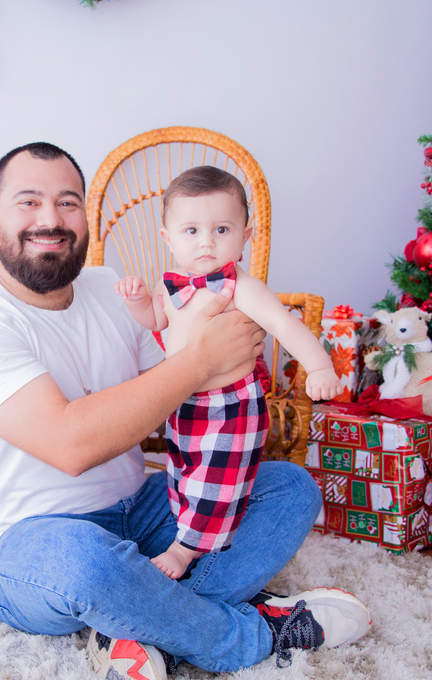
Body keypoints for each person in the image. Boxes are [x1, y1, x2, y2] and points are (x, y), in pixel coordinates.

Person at [0, 142, 370, 680]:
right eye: (28, 201)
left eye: (67, 202)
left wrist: (223, 361)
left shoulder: (109, 288)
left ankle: (135, 624)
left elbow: (172, 394)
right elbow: (71, 444)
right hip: (29, 542)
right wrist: (201, 361)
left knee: (288, 489)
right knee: (85, 561)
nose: (49, 219)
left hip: (139, 507)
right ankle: (252, 635)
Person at [115, 166, 342, 581]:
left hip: (230, 405)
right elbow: (157, 322)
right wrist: (138, 304)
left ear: (245, 235)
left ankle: (185, 550)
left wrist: (319, 365)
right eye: (191, 231)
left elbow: (284, 324)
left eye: (221, 229)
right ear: (167, 238)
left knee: (216, 479)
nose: (206, 241)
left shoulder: (241, 287)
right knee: (183, 471)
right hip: (182, 400)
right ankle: (193, 532)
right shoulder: (171, 286)